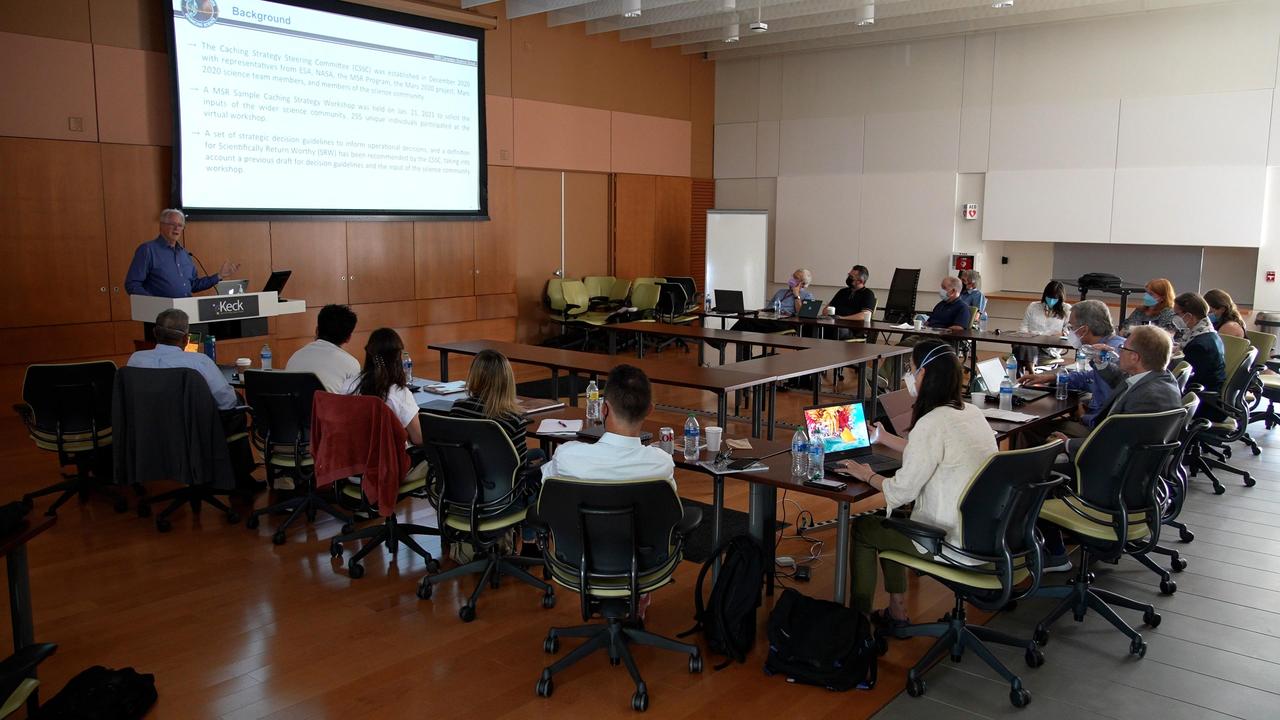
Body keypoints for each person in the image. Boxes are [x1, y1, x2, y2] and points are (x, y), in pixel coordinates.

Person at [837, 341, 997, 628]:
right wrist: (884, 438)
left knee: (865, 529)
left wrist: (866, 474)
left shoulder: (931, 422)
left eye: (910, 369)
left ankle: (857, 623)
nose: (907, 377)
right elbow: (931, 448)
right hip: (984, 533)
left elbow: (900, 492)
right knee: (890, 522)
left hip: (947, 540)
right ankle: (896, 611)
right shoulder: (970, 412)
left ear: (924, 374)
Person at [1040, 326, 1182, 572]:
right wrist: (1102, 364)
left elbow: (1109, 448)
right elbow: (1123, 384)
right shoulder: (1159, 381)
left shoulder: (1148, 398)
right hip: (1135, 479)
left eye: (1124, 348)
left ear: (1136, 357)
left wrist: (1065, 444)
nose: (1119, 351)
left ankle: (1055, 554)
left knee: (1039, 476)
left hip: (1114, 485)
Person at [126, 308, 256, 486]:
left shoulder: (136, 360)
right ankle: (240, 479)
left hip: (152, 428)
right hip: (195, 432)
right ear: (186, 339)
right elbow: (226, 403)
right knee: (236, 405)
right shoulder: (199, 362)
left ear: (155, 333)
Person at [540, 364, 674, 488]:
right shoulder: (662, 464)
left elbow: (547, 491)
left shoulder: (567, 455)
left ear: (604, 409)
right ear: (649, 410)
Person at [1018, 299, 1126, 440]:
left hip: (1100, 433)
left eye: (1072, 326)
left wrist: (1084, 417)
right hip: (1102, 426)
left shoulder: (1110, 353)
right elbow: (1091, 377)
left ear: (1084, 330)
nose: (1069, 331)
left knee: (1029, 426)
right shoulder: (1113, 344)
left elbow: (1108, 402)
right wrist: (1051, 378)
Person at [450, 349, 538, 468]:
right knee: (540, 454)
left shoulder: (458, 408)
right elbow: (519, 468)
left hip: (465, 478)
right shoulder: (513, 420)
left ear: (474, 376)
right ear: (507, 380)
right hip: (499, 482)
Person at [124, 209, 240, 298]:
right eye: (172, 224)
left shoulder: (185, 254)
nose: (176, 228)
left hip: (186, 312)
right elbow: (132, 284)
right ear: (161, 225)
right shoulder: (148, 250)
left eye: (180, 225)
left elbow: (194, 285)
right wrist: (153, 303)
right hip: (161, 316)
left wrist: (219, 276)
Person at [343, 328, 422, 446]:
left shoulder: (348, 385)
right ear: (397, 358)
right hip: (388, 461)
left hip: (352, 455)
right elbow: (418, 438)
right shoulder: (399, 393)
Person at [286, 304, 360, 393]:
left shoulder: (295, 357)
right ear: (348, 338)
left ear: (317, 330)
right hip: (329, 406)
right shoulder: (352, 364)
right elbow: (354, 403)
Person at [731, 268, 816, 334]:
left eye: (795, 278)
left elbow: (802, 315)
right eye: (792, 276)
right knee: (745, 321)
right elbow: (769, 308)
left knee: (747, 324)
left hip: (786, 323)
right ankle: (742, 351)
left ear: (803, 284)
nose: (792, 279)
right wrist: (757, 312)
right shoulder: (781, 292)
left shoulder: (807, 295)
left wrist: (796, 295)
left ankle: (724, 341)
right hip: (771, 319)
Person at [1013, 280, 1072, 374]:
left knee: (1022, 350)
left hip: (1048, 350)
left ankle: (1024, 374)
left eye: (1055, 299)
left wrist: (1063, 333)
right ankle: (1032, 374)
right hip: (1029, 343)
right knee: (1024, 345)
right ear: (1045, 295)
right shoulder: (1033, 306)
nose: (1051, 301)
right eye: (1049, 297)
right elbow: (1023, 328)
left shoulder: (1067, 309)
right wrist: (1031, 337)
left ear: (1060, 299)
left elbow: (1069, 330)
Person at [1173, 292, 1226, 395]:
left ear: (1188, 316)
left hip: (1201, 398)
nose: (1174, 318)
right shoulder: (1206, 332)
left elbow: (1185, 378)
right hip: (1205, 390)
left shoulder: (1199, 346)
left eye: (1177, 314)